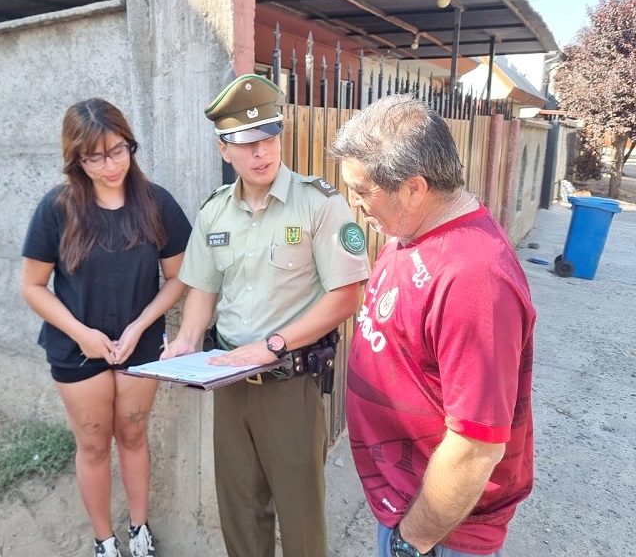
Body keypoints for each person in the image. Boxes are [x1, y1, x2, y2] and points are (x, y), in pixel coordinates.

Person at [162, 73, 370, 557]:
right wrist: (187, 342)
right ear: (224, 149)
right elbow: (203, 289)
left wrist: (274, 345)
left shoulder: (319, 204)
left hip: (289, 384)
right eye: (247, 142)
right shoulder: (215, 213)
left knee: (300, 519)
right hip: (229, 385)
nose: (261, 152)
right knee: (240, 513)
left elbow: (346, 296)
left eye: (270, 136)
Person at [328, 93, 536, 557]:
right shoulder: (408, 230)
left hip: (440, 533)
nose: (355, 202)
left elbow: (475, 446)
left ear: (414, 187)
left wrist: (413, 540)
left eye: (362, 190)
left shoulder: (474, 278)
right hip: (406, 500)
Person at [20, 98, 192, 557]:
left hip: (139, 345)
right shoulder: (57, 209)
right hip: (78, 350)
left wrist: (140, 326)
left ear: (129, 144)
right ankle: (104, 540)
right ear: (75, 158)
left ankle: (139, 529)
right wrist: (80, 333)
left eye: (118, 150)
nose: (109, 164)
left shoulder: (157, 203)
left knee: (133, 435)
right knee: (93, 445)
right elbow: (33, 286)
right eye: (94, 156)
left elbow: (180, 278)